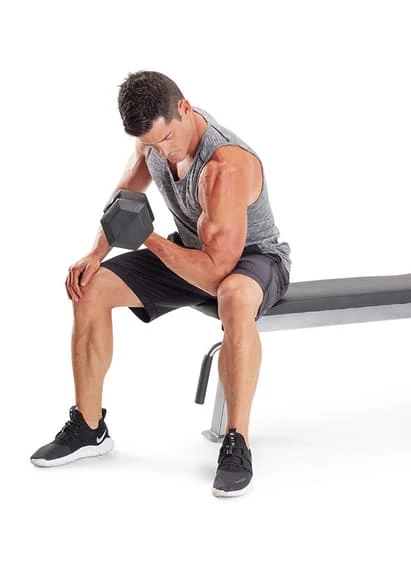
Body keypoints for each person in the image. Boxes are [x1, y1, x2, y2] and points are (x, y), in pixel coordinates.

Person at [30, 70, 292, 497]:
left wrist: (147, 237)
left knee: (233, 296)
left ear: (183, 108)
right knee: (91, 287)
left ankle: (236, 442)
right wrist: (96, 253)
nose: (163, 150)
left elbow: (217, 272)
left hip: (251, 259)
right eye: (152, 144)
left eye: (167, 137)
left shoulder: (225, 166)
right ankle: (89, 427)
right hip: (189, 251)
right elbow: (124, 200)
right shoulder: (152, 140)